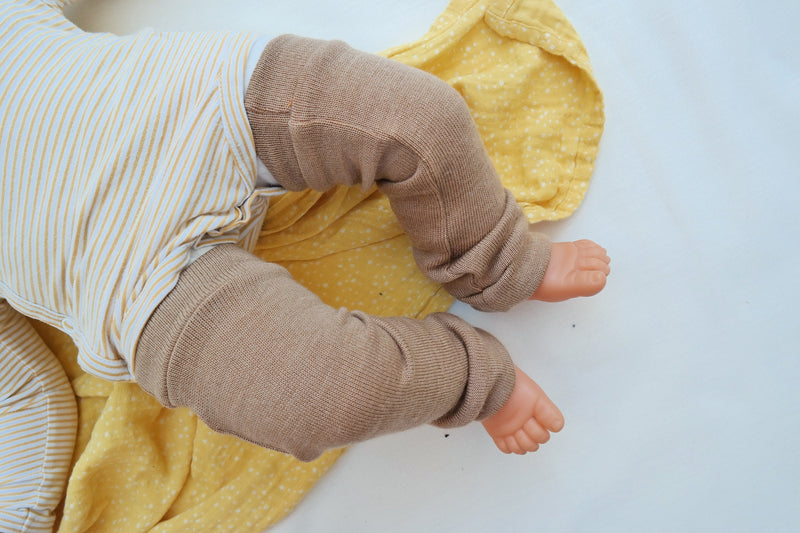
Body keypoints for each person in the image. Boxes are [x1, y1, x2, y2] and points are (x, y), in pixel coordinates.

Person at [0, 1, 608, 529]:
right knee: (313, 399)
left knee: (422, 115)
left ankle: (493, 259)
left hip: (198, 100)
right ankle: (467, 377)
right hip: (136, 283)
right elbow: (22, 395)